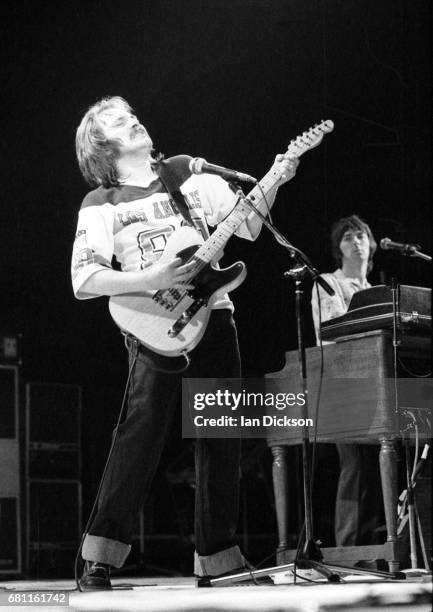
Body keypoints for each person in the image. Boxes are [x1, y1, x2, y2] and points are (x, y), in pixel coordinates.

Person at [71, 96, 299, 590]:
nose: (133, 120)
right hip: (153, 322)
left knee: (220, 436)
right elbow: (84, 278)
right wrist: (151, 275)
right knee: (140, 437)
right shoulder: (101, 204)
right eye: (119, 120)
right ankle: (100, 558)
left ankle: (218, 559)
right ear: (102, 144)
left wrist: (276, 178)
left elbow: (253, 224)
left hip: (215, 315)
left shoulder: (186, 175)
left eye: (132, 115)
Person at [311, 214, 383, 548]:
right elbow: (332, 333)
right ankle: (348, 547)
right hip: (345, 384)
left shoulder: (378, 291)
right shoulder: (327, 283)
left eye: (362, 236)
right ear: (338, 248)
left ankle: (378, 544)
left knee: (382, 465)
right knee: (355, 465)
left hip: (380, 383)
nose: (357, 242)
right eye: (348, 237)